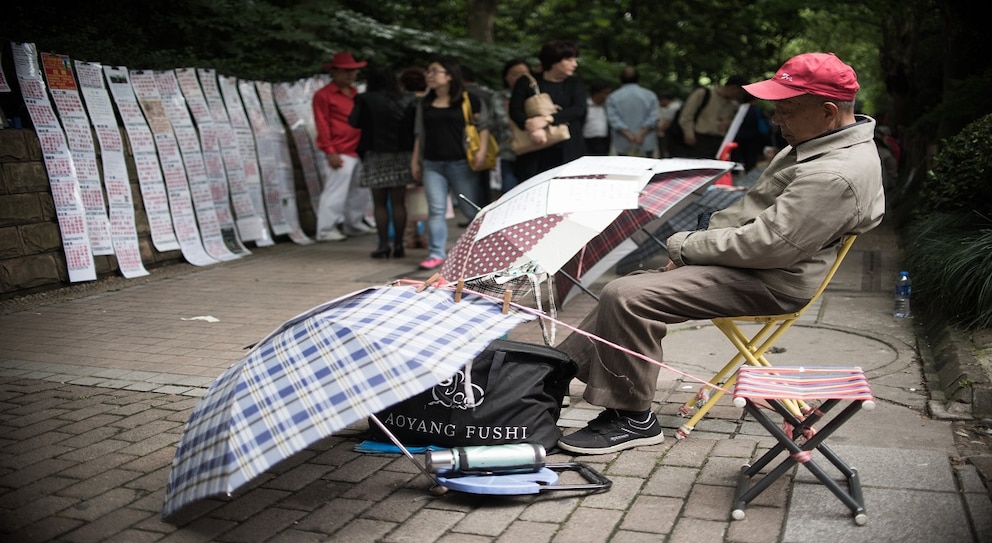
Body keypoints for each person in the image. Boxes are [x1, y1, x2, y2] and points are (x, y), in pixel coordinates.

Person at [553, 52, 885, 455]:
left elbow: (768, 245)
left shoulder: (834, 172)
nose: (776, 120)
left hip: (775, 279)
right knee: (631, 287)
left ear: (829, 111)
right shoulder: (817, 143)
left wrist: (686, 246)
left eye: (786, 111)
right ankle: (553, 374)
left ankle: (632, 416)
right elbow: (749, 216)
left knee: (629, 297)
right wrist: (696, 251)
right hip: (758, 264)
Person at [410, 58, 493, 271]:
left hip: (461, 162)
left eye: (434, 71)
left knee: (470, 209)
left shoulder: (469, 100)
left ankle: (485, 250)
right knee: (436, 209)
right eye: (428, 71)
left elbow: (483, 127)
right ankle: (436, 253)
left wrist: (482, 151)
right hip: (432, 164)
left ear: (449, 76)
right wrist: (415, 160)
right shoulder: (425, 103)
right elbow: (420, 133)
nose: (429, 75)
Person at [348, 66, 417, 259]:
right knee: (399, 202)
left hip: (375, 154)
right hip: (401, 154)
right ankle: (399, 245)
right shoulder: (407, 99)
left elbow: (353, 122)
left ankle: (383, 245)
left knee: (379, 203)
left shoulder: (365, 99)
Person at [312, 52, 374, 241]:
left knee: (360, 190)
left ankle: (353, 224)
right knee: (335, 191)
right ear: (334, 72)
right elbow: (322, 124)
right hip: (340, 149)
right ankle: (325, 229)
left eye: (353, 71)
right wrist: (330, 151)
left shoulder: (355, 93)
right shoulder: (323, 95)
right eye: (346, 71)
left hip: (358, 148)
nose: (350, 75)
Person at [509, 40, 587, 181]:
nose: (574, 64)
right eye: (569, 60)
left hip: (568, 147)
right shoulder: (527, 82)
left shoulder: (575, 83)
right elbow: (515, 110)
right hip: (535, 146)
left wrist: (546, 120)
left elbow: (578, 109)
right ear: (554, 61)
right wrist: (531, 126)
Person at [669, 75, 747, 159]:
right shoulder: (704, 94)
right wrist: (688, 133)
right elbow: (687, 114)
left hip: (719, 141)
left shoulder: (733, 104)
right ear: (733, 88)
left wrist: (727, 123)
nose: (740, 96)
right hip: (699, 139)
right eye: (739, 93)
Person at [491, 58, 532, 194]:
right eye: (515, 74)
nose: (520, 77)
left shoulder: (536, 96)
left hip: (534, 149)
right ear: (506, 77)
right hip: (509, 151)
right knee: (509, 193)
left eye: (525, 73)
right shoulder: (499, 98)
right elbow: (496, 124)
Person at [462, 65, 496, 210]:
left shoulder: (465, 95)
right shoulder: (486, 93)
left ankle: (477, 212)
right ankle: (485, 209)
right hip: (486, 140)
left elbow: (483, 122)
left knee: (473, 182)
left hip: (471, 142)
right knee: (483, 180)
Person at [605, 67, 659, 157]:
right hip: (645, 141)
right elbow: (653, 117)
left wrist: (629, 135)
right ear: (638, 79)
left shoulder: (613, 97)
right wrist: (641, 133)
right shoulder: (650, 95)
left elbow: (614, 119)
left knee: (624, 169)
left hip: (623, 142)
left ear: (620, 79)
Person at [583, 80, 612, 156]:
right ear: (596, 93)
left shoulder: (607, 107)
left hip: (603, 141)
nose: (607, 96)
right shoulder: (584, 105)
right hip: (587, 141)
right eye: (605, 93)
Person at [655, 91, 683, 158]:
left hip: (671, 133)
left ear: (665, 100)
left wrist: (660, 130)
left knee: (666, 150)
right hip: (680, 132)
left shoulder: (671, 108)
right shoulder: (679, 104)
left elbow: (668, 122)